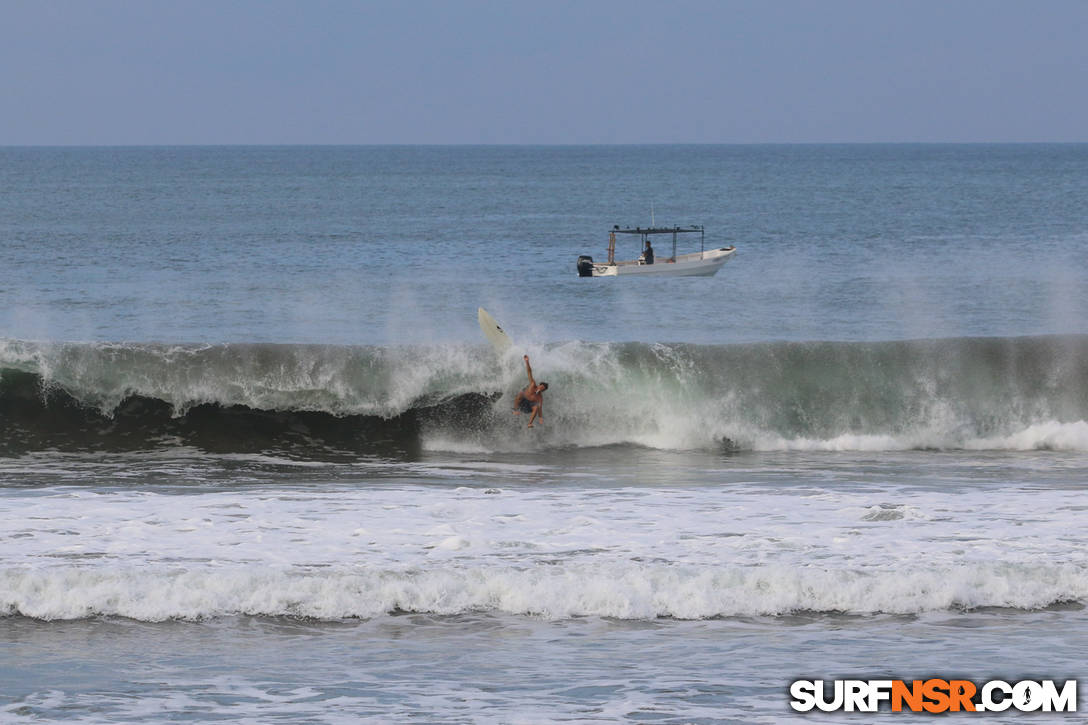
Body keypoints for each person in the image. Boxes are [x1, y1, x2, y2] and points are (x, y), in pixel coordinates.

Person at [512, 354, 548, 428]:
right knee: (520, 393)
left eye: (542, 389)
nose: (541, 389)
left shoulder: (539, 397)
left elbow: (540, 408)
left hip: (527, 408)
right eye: (541, 387)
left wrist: (540, 417)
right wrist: (527, 362)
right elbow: (529, 372)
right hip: (521, 402)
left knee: (536, 407)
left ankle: (529, 423)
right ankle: (515, 410)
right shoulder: (532, 384)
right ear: (538, 385)